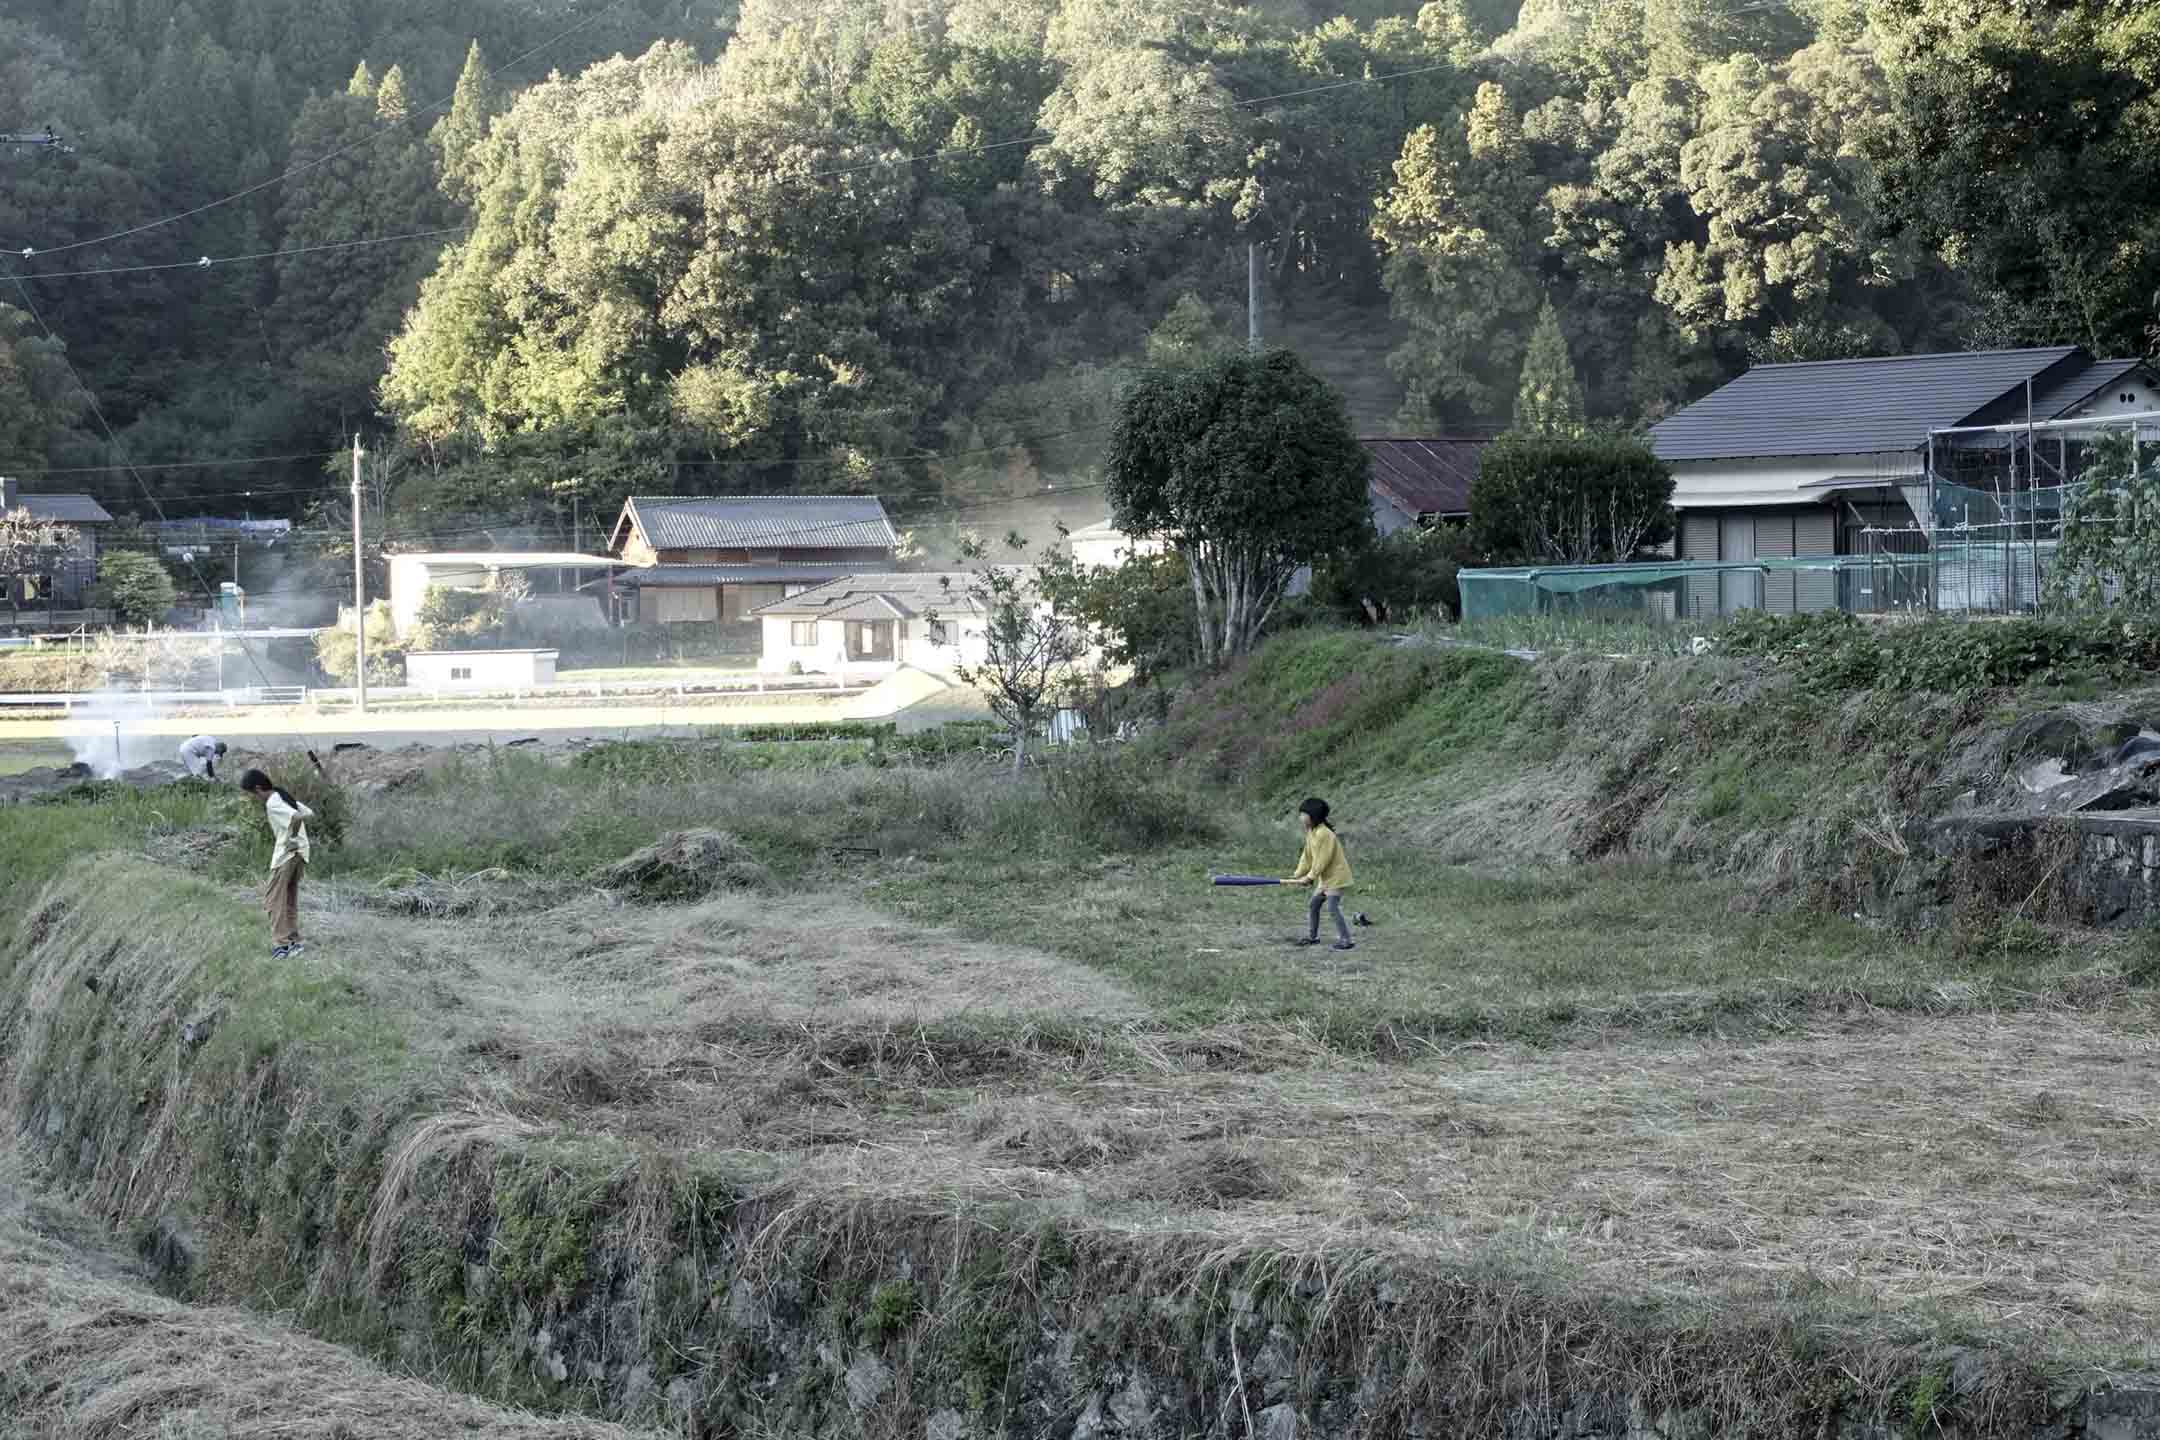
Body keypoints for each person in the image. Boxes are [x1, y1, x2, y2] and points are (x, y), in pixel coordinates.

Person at [241, 768, 312, 959]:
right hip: (300, 853)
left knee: (272, 900)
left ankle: (282, 946)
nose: (254, 798)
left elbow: (296, 817)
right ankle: (294, 942)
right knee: (288, 898)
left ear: (258, 789)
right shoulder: (282, 795)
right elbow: (307, 812)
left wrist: (292, 838)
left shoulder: (272, 802)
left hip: (286, 855)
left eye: (252, 794)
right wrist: (296, 839)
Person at [1282, 796, 1354, 950]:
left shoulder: (1325, 834)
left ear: (1313, 815)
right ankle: (1313, 937)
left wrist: (1310, 877)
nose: (1300, 817)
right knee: (1314, 905)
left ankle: (1346, 940)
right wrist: (1298, 873)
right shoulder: (1311, 832)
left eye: (1303, 814)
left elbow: (1323, 860)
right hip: (1325, 878)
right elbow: (1307, 856)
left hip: (1337, 876)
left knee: (1332, 908)